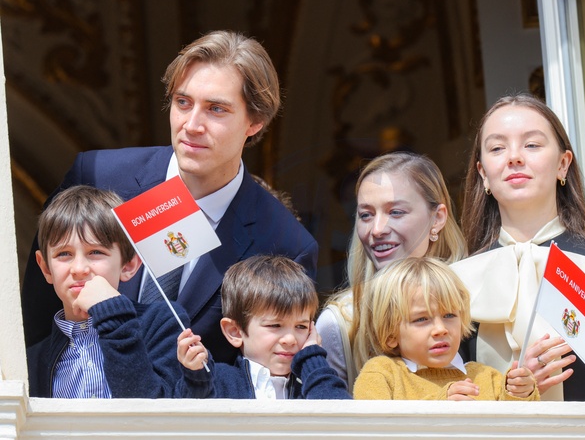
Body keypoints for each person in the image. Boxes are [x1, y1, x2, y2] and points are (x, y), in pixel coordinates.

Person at [21, 30, 318, 363]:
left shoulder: (285, 243)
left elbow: (267, 370)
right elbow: (35, 314)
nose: (192, 125)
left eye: (216, 109)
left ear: (255, 121)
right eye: (183, 102)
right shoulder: (96, 175)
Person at [451, 93, 585, 401]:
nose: (514, 157)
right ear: (483, 175)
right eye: (497, 148)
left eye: (532, 145)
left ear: (563, 164)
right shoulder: (457, 281)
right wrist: (513, 391)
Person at [316, 151, 466, 392]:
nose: (377, 229)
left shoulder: (479, 299)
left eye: (396, 212)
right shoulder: (341, 323)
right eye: (366, 215)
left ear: (437, 218)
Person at [27, 185, 189, 398]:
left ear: (129, 265)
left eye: (95, 252)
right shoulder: (31, 360)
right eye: (64, 254)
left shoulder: (160, 323)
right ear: (46, 268)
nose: (79, 269)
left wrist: (112, 316)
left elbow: (150, 408)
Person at [353, 257, 538, 401]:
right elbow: (375, 428)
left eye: (449, 315)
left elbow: (519, 428)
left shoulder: (486, 377)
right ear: (390, 334)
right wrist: (440, 408)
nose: (440, 329)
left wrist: (520, 393)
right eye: (422, 319)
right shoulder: (381, 374)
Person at [175, 255, 351, 400]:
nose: (290, 339)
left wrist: (313, 360)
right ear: (234, 331)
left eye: (301, 326)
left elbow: (341, 421)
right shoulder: (217, 381)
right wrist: (196, 376)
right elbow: (190, 411)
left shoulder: (314, 384)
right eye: (275, 325)